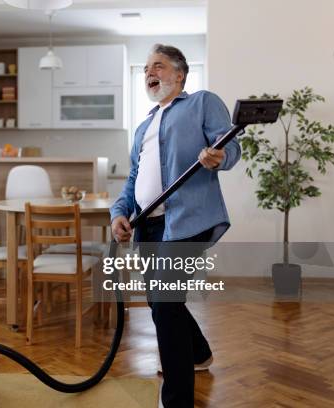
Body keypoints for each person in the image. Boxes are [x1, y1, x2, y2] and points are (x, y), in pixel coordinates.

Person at [109, 44, 241, 407]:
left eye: (159, 66)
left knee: (165, 302)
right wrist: (118, 212)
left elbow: (230, 147)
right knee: (160, 300)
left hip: (187, 221)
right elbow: (133, 178)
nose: (150, 73)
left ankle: (177, 400)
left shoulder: (201, 102)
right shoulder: (143, 126)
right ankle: (198, 353)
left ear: (180, 74)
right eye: (146, 69)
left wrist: (219, 157)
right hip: (149, 226)